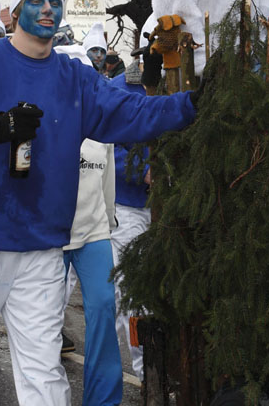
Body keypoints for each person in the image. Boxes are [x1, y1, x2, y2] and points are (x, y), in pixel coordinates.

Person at [0, 0, 197, 405]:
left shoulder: (75, 78)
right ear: (14, 12)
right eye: (36, 1)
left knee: (43, 371)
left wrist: (191, 104)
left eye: (54, 2)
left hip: (41, 245)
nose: (48, 9)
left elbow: (131, 113)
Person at [55, 44, 122, 405]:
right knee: (44, 321)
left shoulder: (100, 125)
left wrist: (108, 220)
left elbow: (107, 181)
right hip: (51, 236)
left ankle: (103, 399)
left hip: (94, 231)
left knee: (102, 306)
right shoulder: (45, 122)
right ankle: (48, 395)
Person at [108, 53, 152, 381]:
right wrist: (144, 171)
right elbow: (105, 146)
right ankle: (146, 369)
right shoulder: (119, 90)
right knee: (137, 296)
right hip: (129, 208)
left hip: (171, 210)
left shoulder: (191, 83)